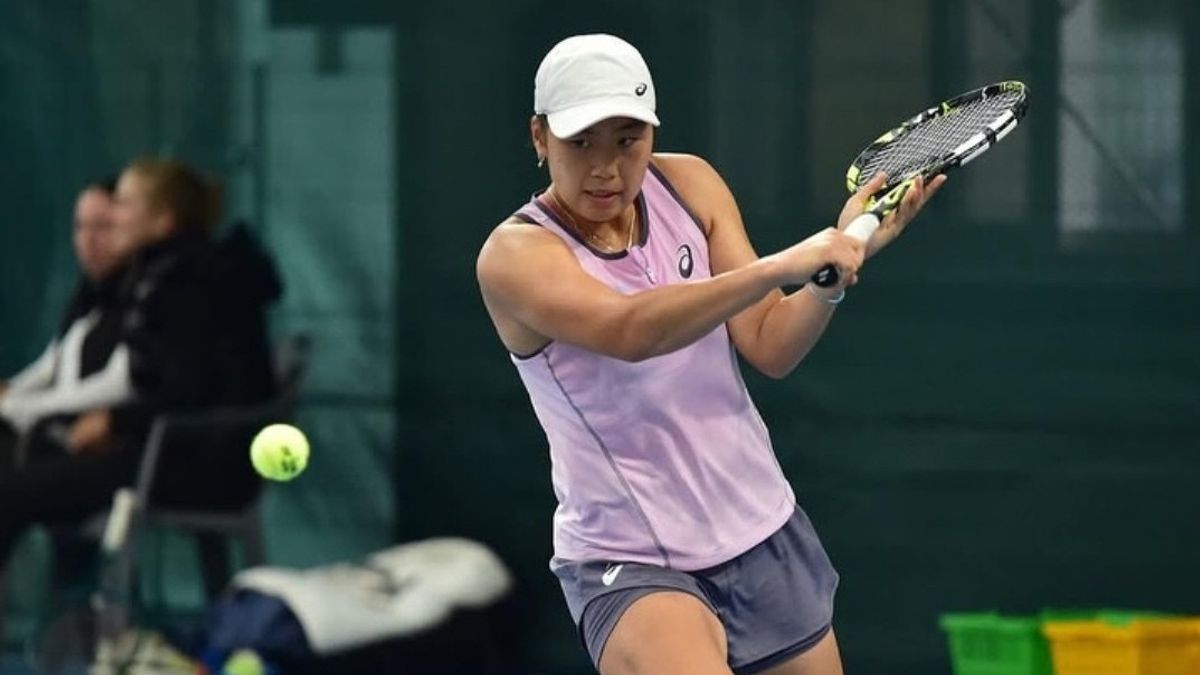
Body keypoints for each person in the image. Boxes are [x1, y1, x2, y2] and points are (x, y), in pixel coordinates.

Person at [476, 35, 946, 675]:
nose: (606, 167)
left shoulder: (689, 183)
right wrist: (780, 265)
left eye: (627, 140)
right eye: (580, 142)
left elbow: (769, 342)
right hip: (631, 557)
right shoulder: (515, 256)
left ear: (651, 134)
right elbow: (630, 331)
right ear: (540, 138)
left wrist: (831, 274)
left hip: (759, 526)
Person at [0, 158, 281, 569]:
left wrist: (116, 422)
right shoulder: (165, 275)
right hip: (168, 448)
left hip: (195, 462)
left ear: (163, 221)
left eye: (124, 204)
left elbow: (188, 391)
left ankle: (75, 594)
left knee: (11, 490)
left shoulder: (192, 283)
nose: (112, 217)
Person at [0, 181, 132, 465]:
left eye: (103, 227)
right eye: (80, 227)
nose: (88, 240)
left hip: (89, 454)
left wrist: (15, 405)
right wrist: (12, 393)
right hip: (47, 436)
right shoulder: (88, 295)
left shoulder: (141, 300)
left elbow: (119, 385)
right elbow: (52, 364)